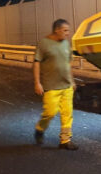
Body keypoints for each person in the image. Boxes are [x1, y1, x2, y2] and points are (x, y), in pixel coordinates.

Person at [33, 19, 78, 150]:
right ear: (56, 30)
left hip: (67, 86)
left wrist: (72, 80)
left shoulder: (66, 44)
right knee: (50, 113)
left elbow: (68, 64)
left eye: (68, 31)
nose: (68, 33)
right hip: (51, 86)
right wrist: (37, 83)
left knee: (67, 114)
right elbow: (36, 63)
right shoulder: (44, 43)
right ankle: (40, 128)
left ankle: (65, 140)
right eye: (65, 30)